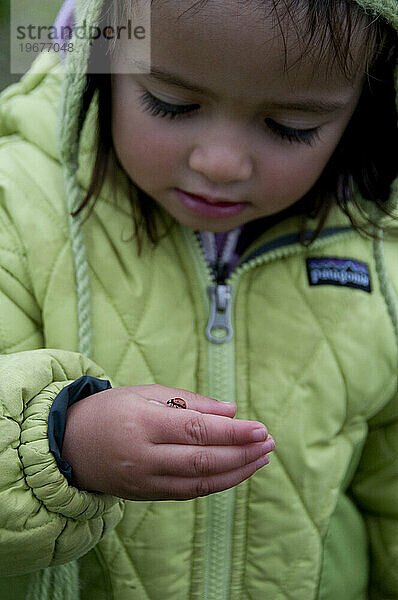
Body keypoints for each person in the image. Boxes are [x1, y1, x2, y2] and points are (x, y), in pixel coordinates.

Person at [0, 0, 397, 598]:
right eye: (172, 104)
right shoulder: (18, 211)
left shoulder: (381, 250)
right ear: (99, 56)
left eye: (291, 127)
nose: (221, 163)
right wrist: (59, 442)